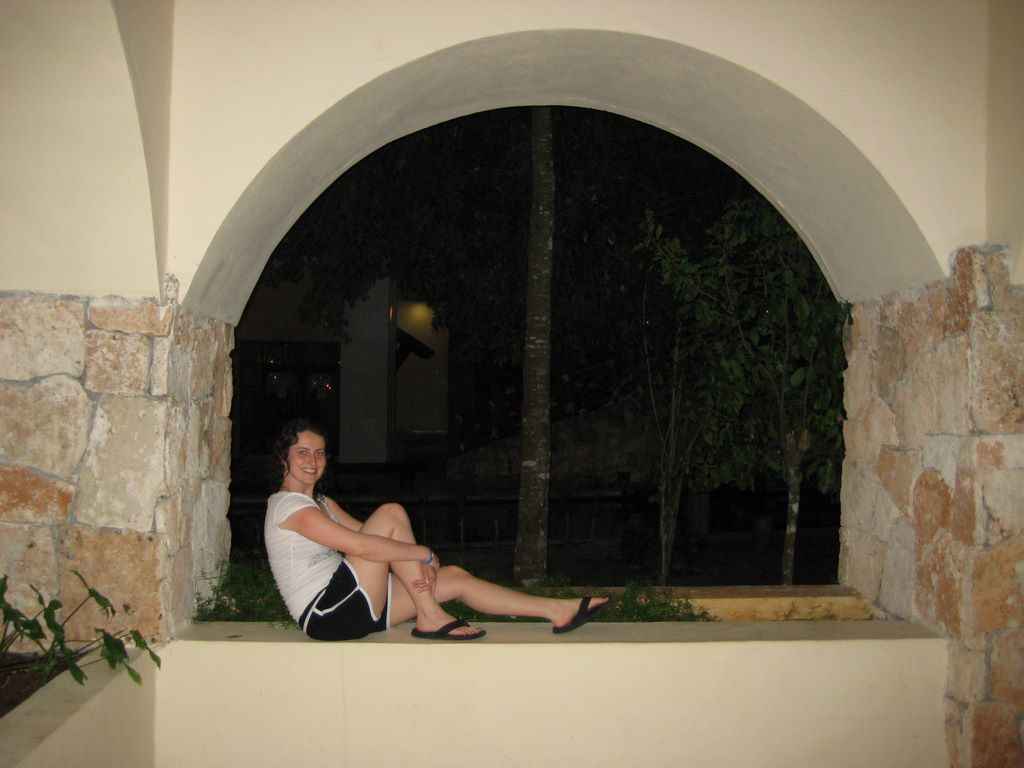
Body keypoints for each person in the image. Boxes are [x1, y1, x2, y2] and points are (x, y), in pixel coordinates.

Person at [264, 419, 611, 641]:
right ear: (283, 459)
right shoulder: (288, 507)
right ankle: (429, 614)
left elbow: (373, 538)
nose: (313, 461)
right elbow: (365, 547)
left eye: (320, 453)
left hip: (353, 604)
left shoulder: (321, 502)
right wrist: (424, 554)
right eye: (302, 452)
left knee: (456, 578)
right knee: (391, 512)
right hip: (326, 613)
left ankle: (557, 610)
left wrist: (418, 561)